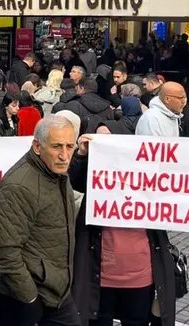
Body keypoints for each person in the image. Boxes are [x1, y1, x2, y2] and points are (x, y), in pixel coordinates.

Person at [71, 124, 176, 326]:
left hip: (140, 276)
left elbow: (186, 180)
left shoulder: (148, 176)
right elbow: (73, 180)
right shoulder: (94, 176)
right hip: (100, 276)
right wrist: (82, 155)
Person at [0, 115, 80, 326]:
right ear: (37, 147)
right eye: (57, 146)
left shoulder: (55, 171)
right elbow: (5, 250)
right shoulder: (19, 186)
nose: (64, 155)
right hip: (24, 296)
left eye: (70, 146)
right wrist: (29, 298)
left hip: (53, 290)